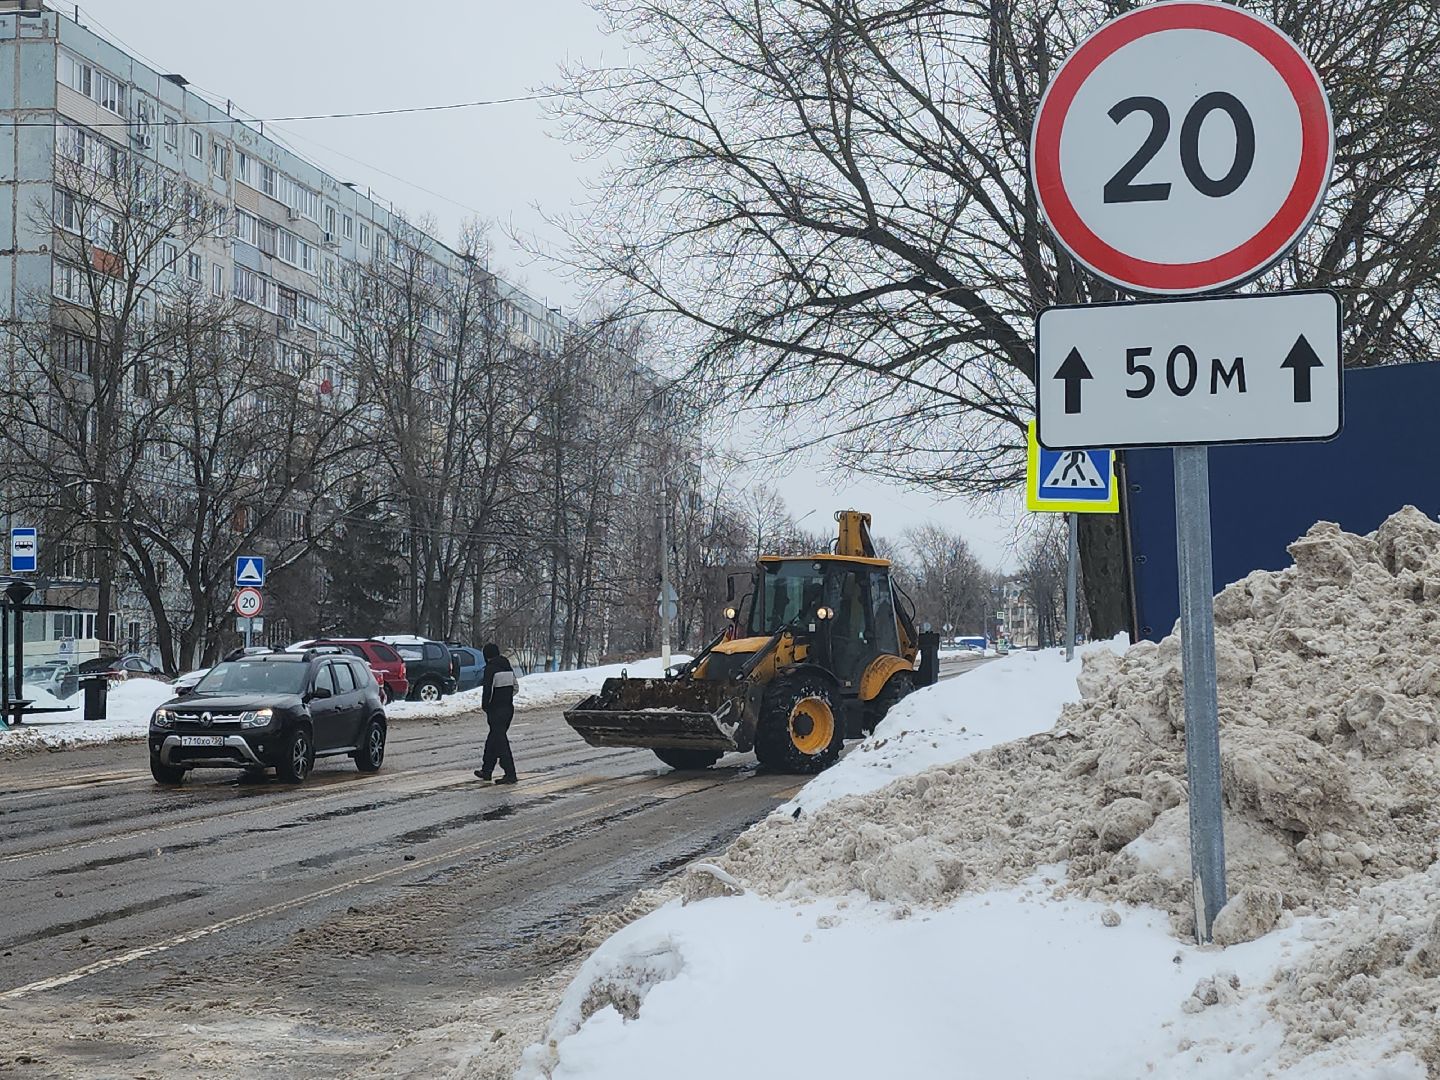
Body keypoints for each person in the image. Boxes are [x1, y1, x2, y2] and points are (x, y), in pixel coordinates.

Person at [474, 642, 518, 784]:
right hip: (508, 708)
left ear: (486, 656)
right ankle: (487, 770)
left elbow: (488, 690)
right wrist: (506, 697)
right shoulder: (507, 666)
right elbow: (515, 687)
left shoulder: (490, 669)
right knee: (493, 739)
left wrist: (486, 706)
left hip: (496, 710)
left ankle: (510, 773)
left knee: (500, 742)